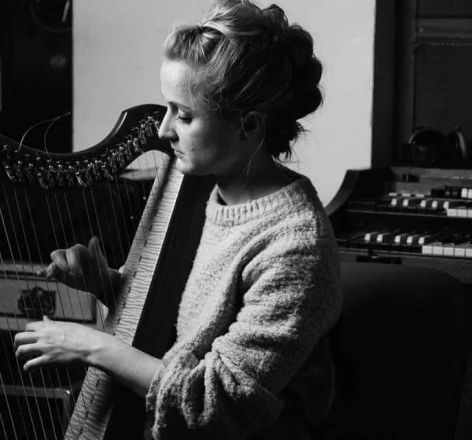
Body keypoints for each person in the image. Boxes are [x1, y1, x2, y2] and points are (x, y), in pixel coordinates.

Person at [14, 1, 342, 438]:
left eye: (184, 115)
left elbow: (215, 403)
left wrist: (93, 346)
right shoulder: (208, 192)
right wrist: (107, 285)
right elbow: (192, 326)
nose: (163, 130)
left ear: (248, 125)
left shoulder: (295, 247)